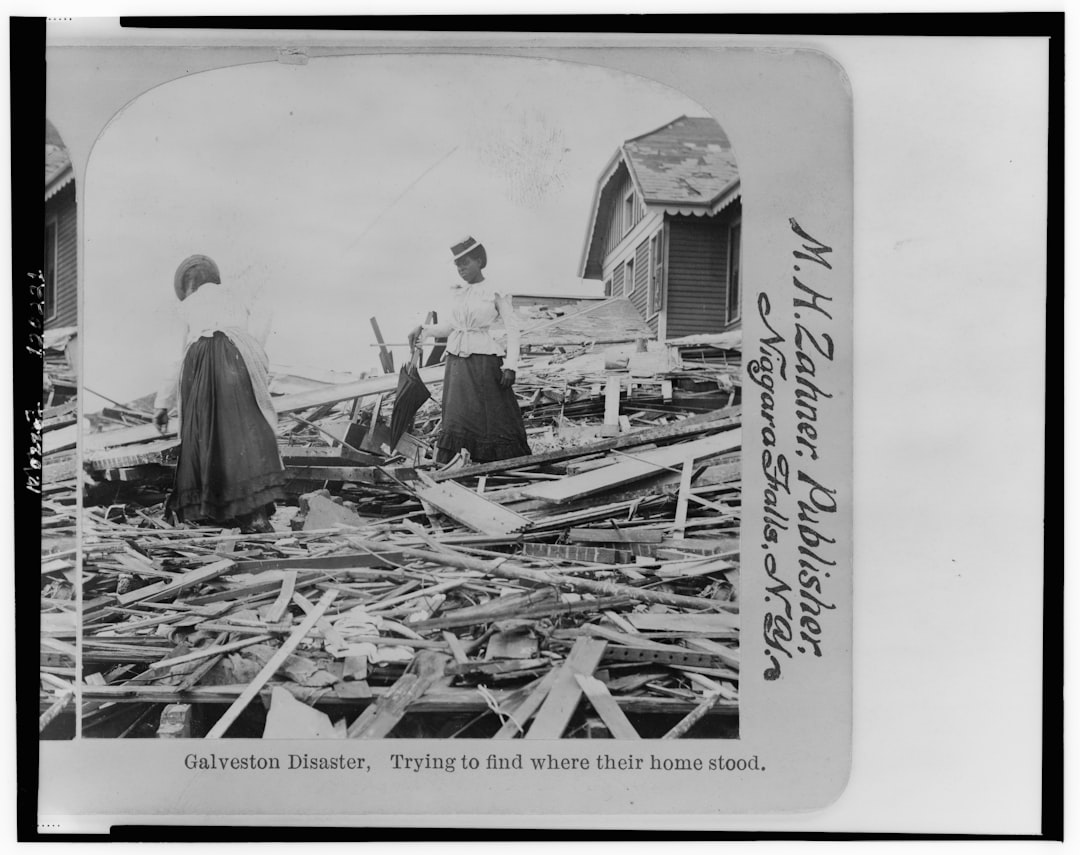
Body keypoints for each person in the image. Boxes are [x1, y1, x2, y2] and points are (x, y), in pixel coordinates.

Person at [153, 255, 285, 533]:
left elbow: (175, 360)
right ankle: (254, 513)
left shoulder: (188, 307)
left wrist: (162, 404)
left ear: (188, 285)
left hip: (203, 362)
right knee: (244, 432)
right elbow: (262, 320)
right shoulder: (235, 297)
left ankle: (216, 509)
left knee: (205, 435)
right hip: (241, 356)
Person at [408, 236, 531, 465]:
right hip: (456, 364)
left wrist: (510, 366)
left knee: (490, 417)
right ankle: (456, 464)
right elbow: (453, 327)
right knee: (457, 417)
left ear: (479, 261)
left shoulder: (494, 291)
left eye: (466, 262)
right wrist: (424, 330)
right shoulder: (459, 293)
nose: (461, 268)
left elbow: (513, 330)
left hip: (483, 364)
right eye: (457, 264)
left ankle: (496, 466)